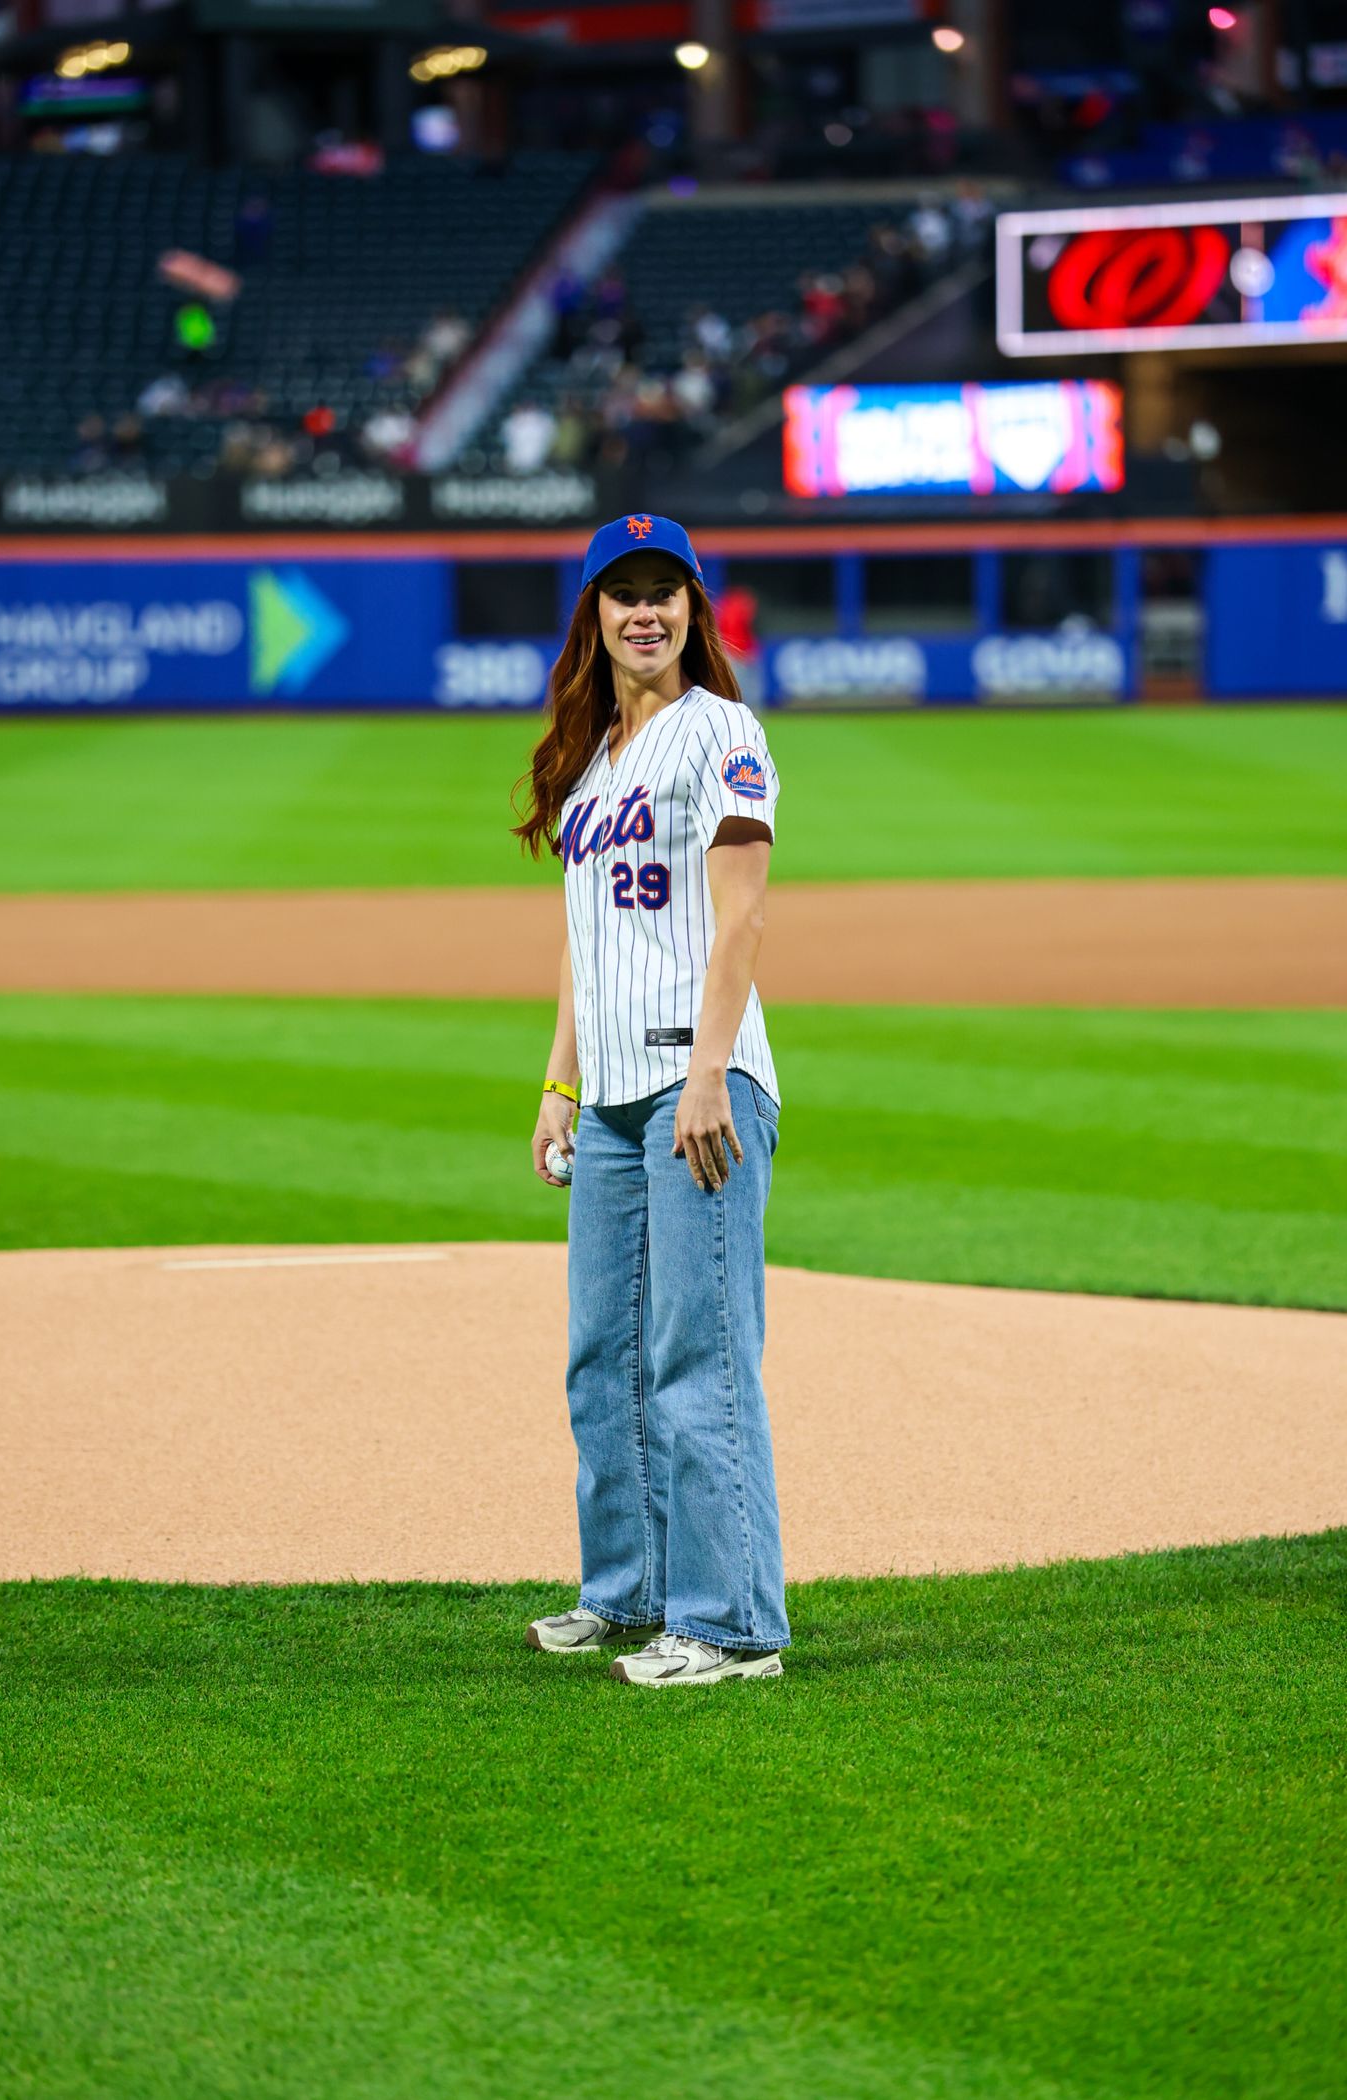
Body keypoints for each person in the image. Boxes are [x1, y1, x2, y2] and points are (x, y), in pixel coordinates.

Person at [510, 514, 790, 1689]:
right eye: (621, 592)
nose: (643, 611)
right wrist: (558, 1083)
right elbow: (583, 946)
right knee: (602, 1358)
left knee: (697, 1357)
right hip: (615, 1098)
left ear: (692, 609)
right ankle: (627, 1594)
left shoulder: (719, 730)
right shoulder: (588, 765)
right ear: (592, 613)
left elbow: (740, 918)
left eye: (663, 591)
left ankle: (730, 1628)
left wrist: (710, 1073)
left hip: (695, 1086)